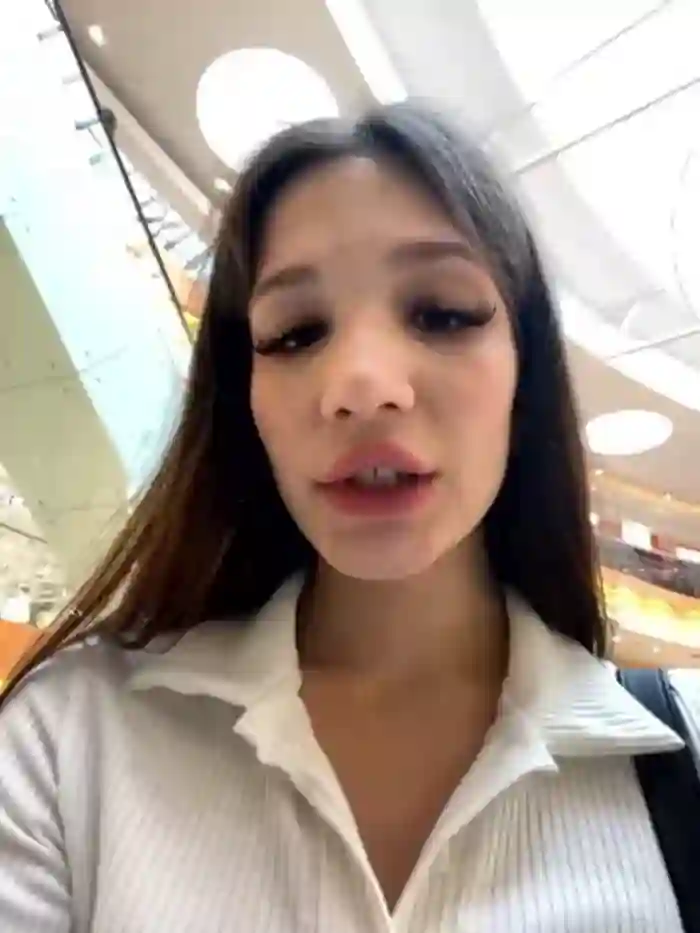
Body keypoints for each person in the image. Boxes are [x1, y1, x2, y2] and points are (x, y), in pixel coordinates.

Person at [0, 102, 697, 932]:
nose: (362, 385)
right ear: (244, 400)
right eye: (296, 333)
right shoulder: (66, 741)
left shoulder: (679, 757)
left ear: (526, 374)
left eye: (442, 312)